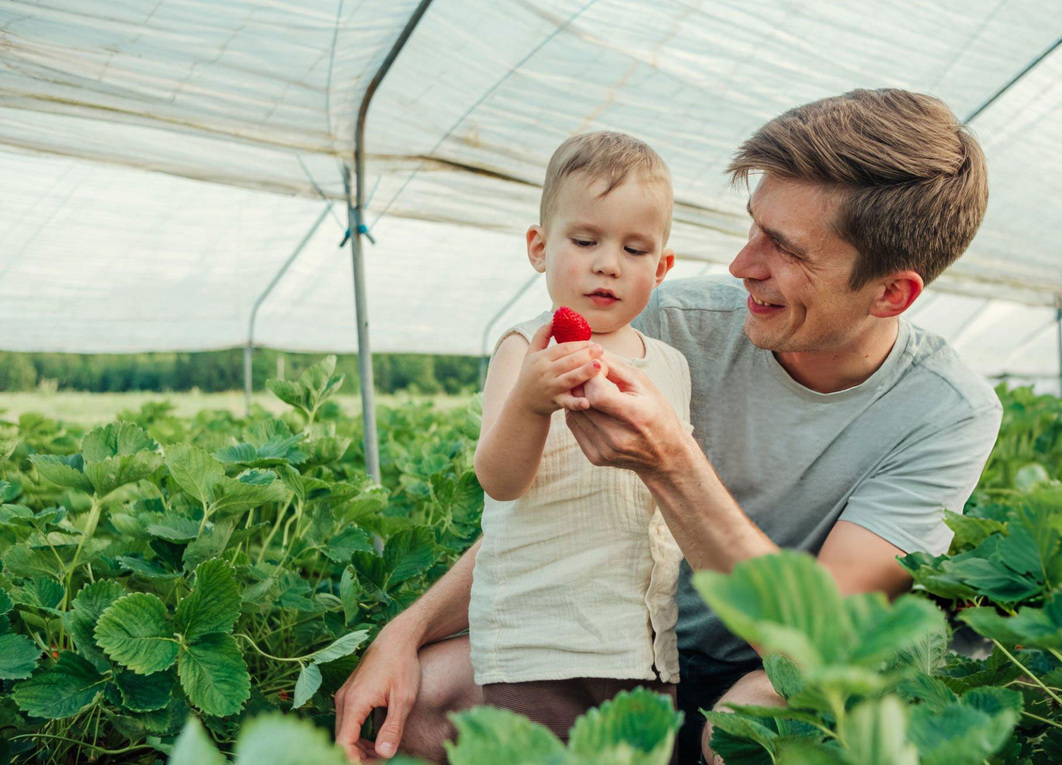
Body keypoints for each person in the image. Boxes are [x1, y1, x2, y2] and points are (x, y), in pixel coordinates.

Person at [334, 88, 1001, 765]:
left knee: (761, 732)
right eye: (753, 226)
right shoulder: (669, 324)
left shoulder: (945, 413)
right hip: (610, 637)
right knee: (408, 708)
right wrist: (407, 628)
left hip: (760, 668)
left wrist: (670, 460)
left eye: (786, 249)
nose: (743, 265)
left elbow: (813, 643)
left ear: (892, 292)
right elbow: (556, 506)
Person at [467, 131, 690, 737]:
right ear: (540, 247)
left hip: (642, 645)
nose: (608, 263)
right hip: (539, 638)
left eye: (635, 248)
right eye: (585, 240)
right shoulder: (526, 348)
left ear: (662, 267)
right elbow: (501, 481)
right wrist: (531, 403)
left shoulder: (670, 365)